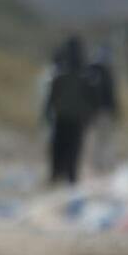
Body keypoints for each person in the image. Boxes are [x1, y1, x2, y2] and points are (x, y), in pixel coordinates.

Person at [42, 37, 93, 186]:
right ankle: (71, 176)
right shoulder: (85, 72)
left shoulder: (61, 69)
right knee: (73, 148)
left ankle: (55, 174)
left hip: (61, 115)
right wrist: (89, 116)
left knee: (58, 146)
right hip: (77, 118)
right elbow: (90, 97)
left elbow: (53, 93)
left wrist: (48, 111)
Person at [82, 44, 121, 175]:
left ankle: (95, 165)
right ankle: (106, 166)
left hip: (91, 111)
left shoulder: (89, 70)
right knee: (106, 139)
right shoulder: (107, 72)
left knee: (94, 139)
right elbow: (111, 95)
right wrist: (116, 111)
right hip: (105, 111)